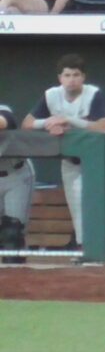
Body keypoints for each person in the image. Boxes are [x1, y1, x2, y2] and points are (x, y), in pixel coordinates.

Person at [22, 54, 105, 250]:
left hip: (93, 160)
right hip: (70, 160)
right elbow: (27, 124)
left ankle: (93, 248)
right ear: (60, 77)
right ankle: (82, 247)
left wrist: (68, 120)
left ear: (83, 77)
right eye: (67, 75)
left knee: (92, 204)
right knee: (76, 205)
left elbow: (103, 128)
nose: (71, 79)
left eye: (76, 75)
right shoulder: (52, 94)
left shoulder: (92, 93)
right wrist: (49, 123)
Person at [0, 102, 33, 264]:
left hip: (16, 174)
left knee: (12, 232)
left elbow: (4, 121)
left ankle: (17, 276)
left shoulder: (3, 109)